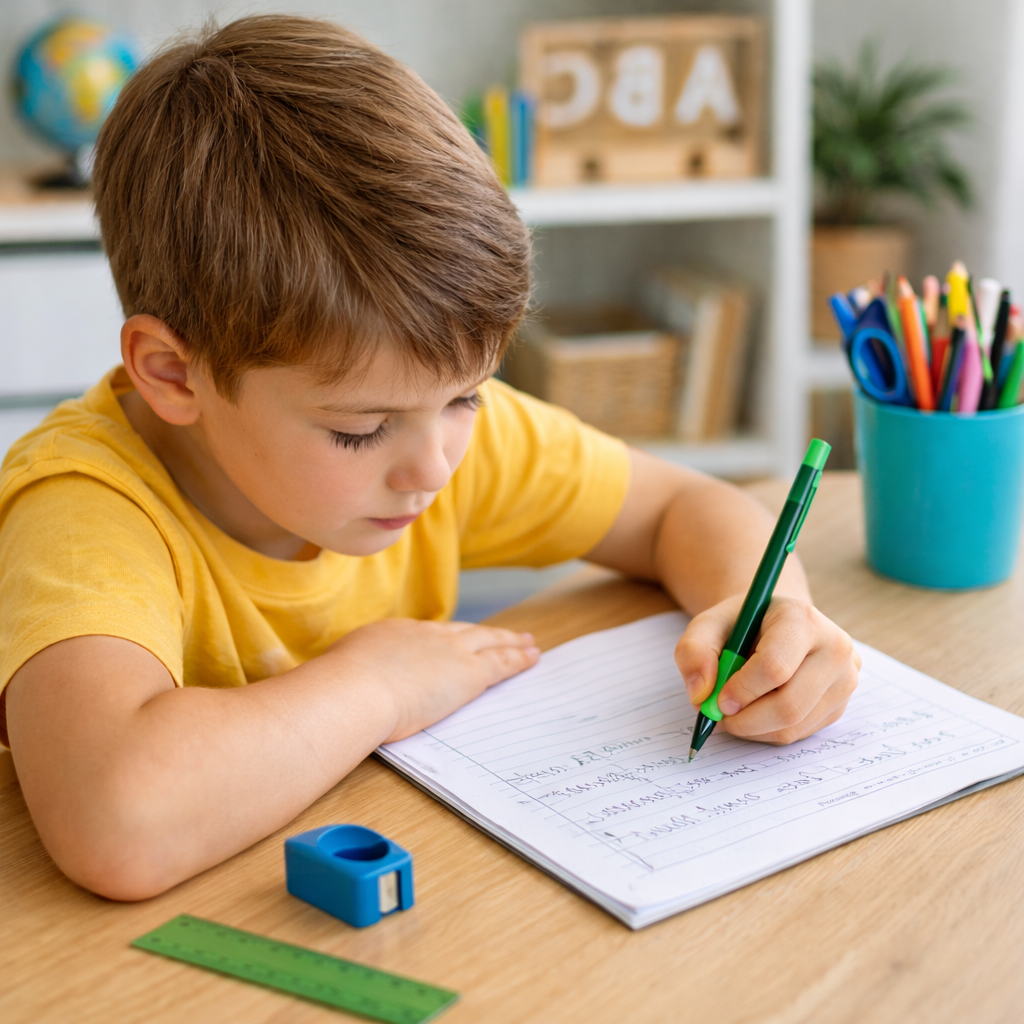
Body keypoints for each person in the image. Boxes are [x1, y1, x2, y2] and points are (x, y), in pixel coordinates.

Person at [0, 15, 859, 901]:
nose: (434, 466)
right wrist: (377, 685)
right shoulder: (82, 510)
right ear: (174, 373)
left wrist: (771, 621)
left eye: (468, 395)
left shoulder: (427, 424)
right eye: (358, 430)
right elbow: (118, 822)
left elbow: (684, 508)